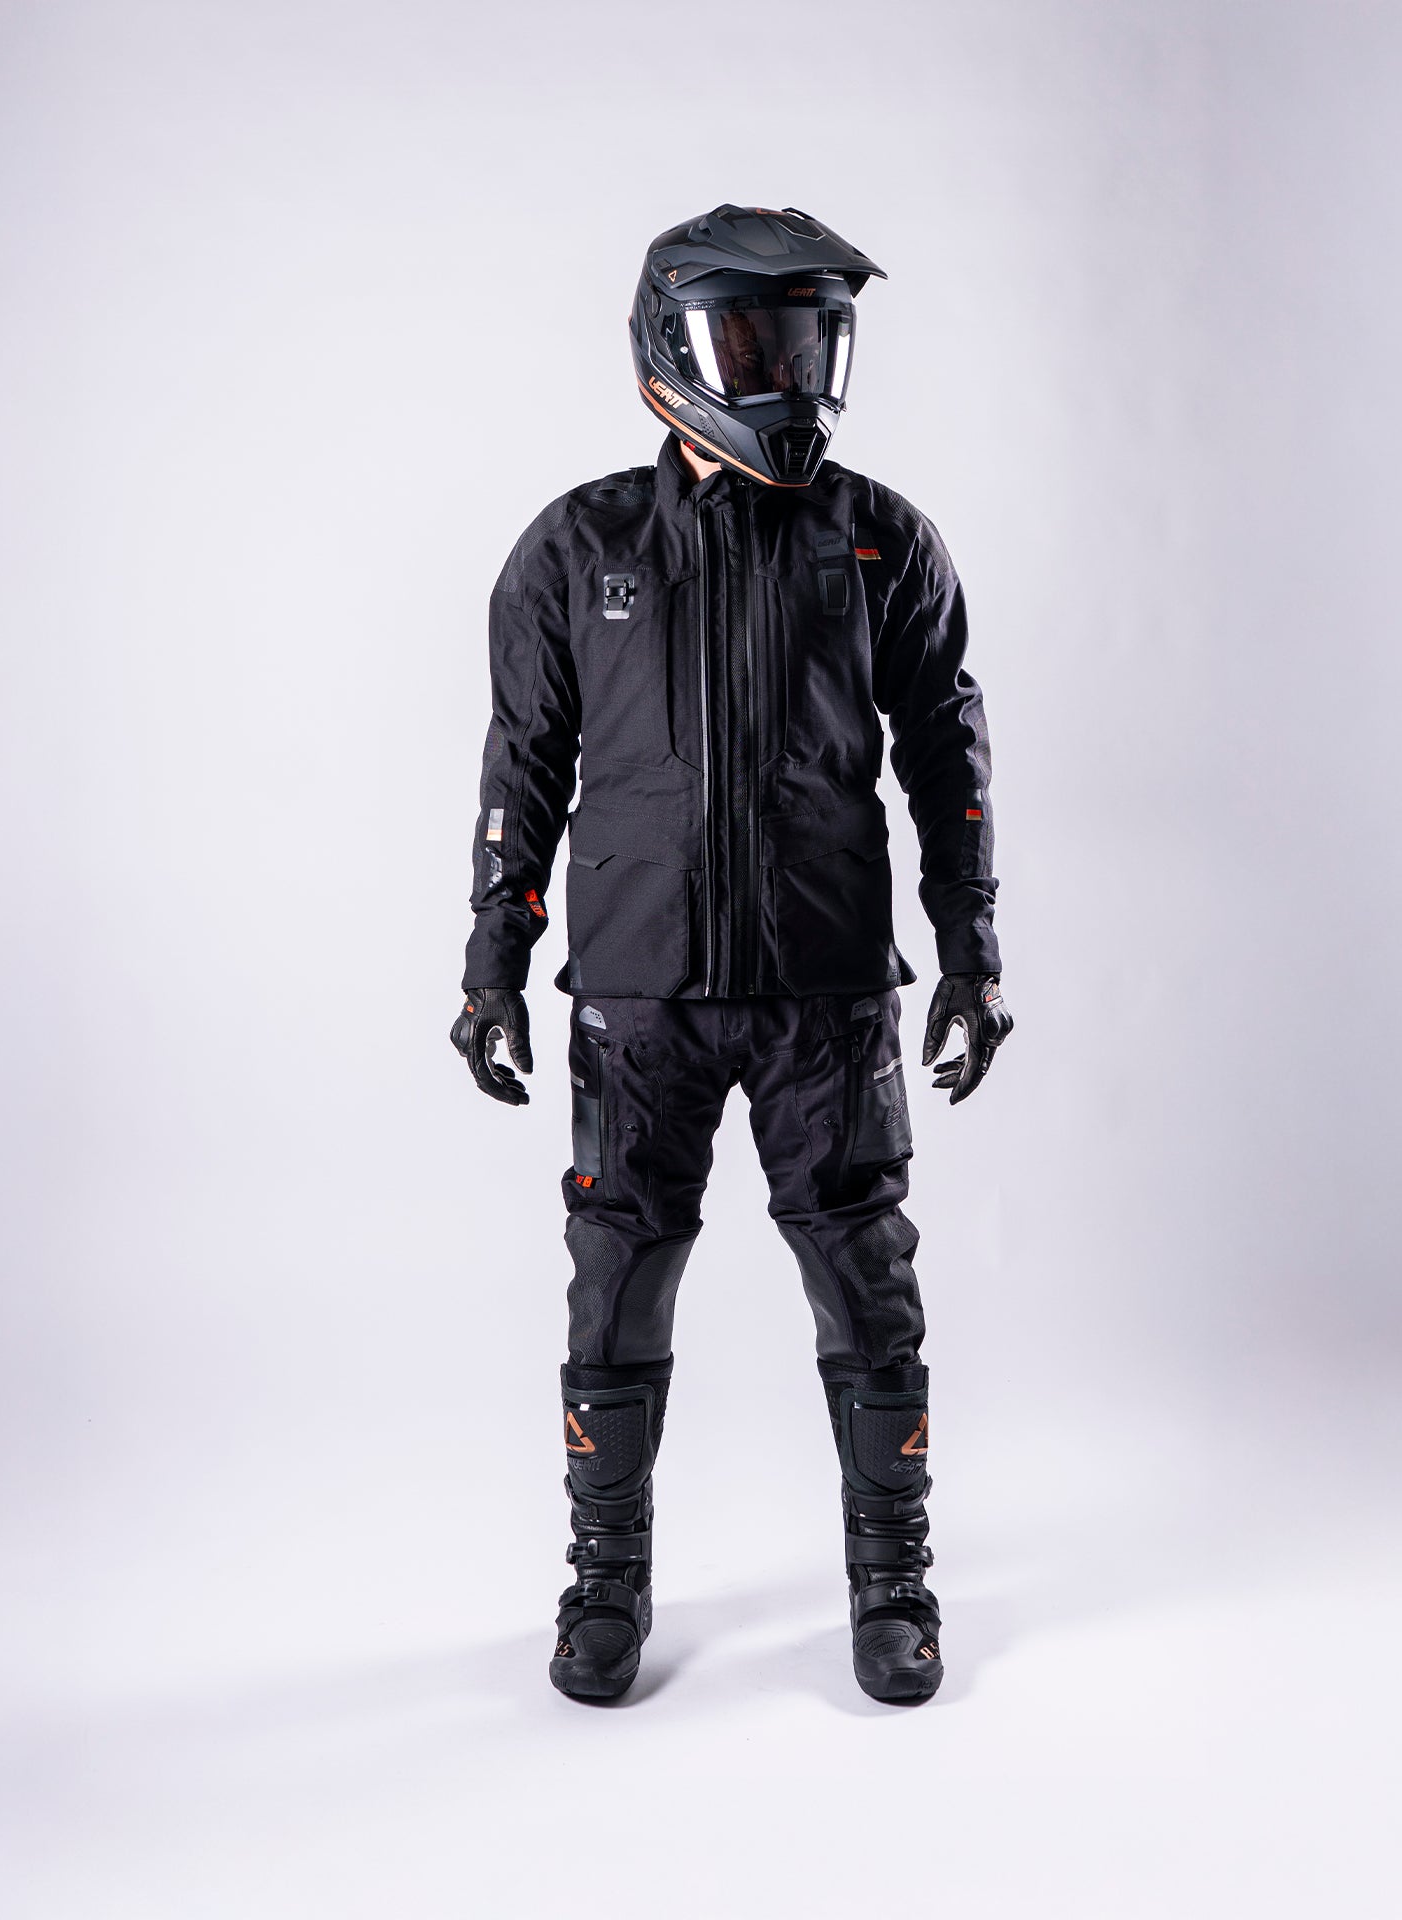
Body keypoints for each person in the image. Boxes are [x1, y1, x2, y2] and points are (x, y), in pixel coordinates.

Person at [451, 204, 1013, 1705]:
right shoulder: (580, 547)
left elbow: (946, 753)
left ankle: (894, 1584)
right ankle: (604, 1583)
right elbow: (523, 764)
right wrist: (492, 962)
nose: (788, 377)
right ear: (674, 350)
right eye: (754, 345)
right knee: (615, 1286)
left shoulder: (880, 538)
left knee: (867, 1282)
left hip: (828, 994)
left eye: (811, 343)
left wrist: (971, 950)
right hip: (638, 997)